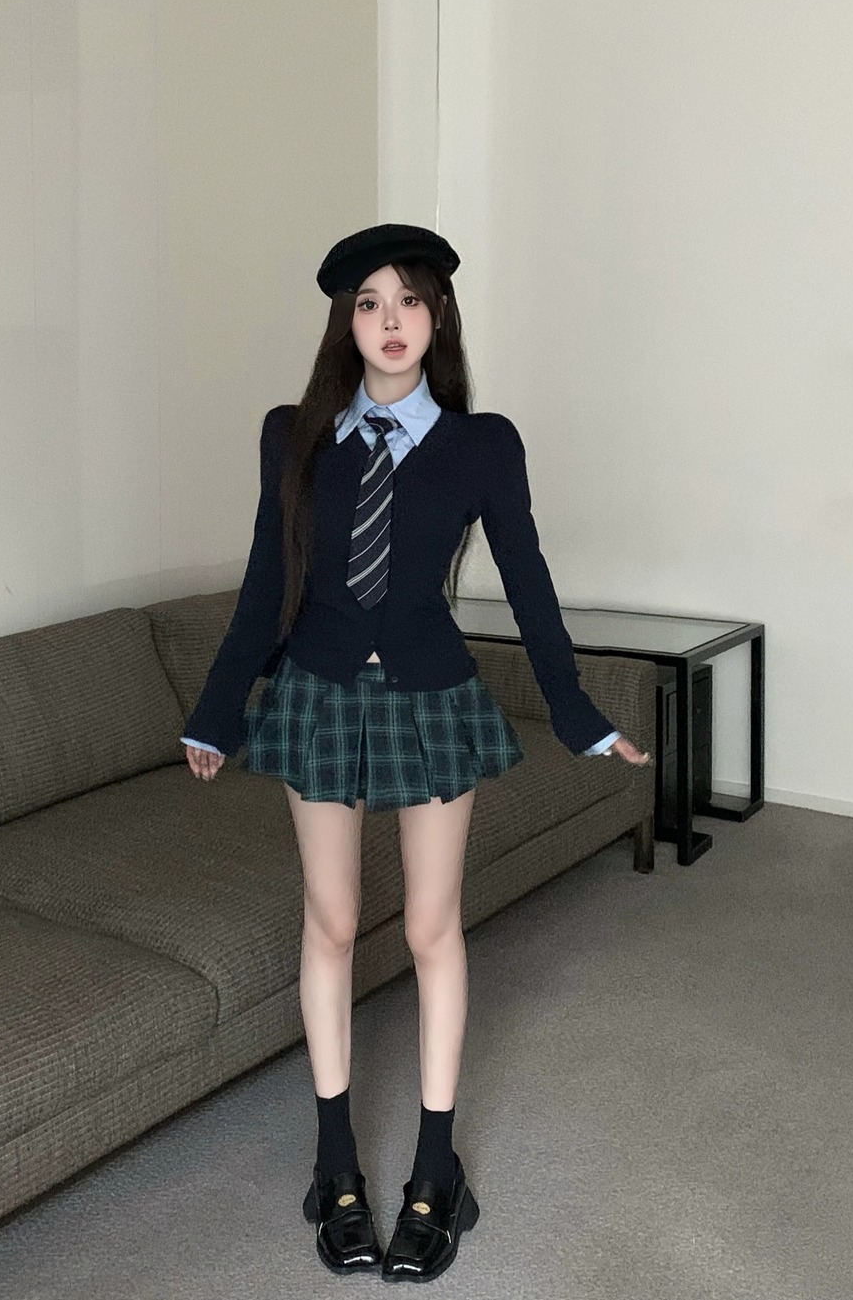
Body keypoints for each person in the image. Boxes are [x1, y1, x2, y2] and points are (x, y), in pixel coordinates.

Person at [180, 222, 652, 1282]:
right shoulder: (292, 436)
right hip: (317, 694)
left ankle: (437, 1170)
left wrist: (577, 710)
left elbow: (527, 580)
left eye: (407, 300)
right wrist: (217, 708)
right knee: (333, 922)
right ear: (344, 324)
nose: (388, 321)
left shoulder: (482, 445)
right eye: (367, 303)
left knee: (433, 927)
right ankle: (334, 1164)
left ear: (437, 317)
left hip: (433, 695)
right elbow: (268, 580)